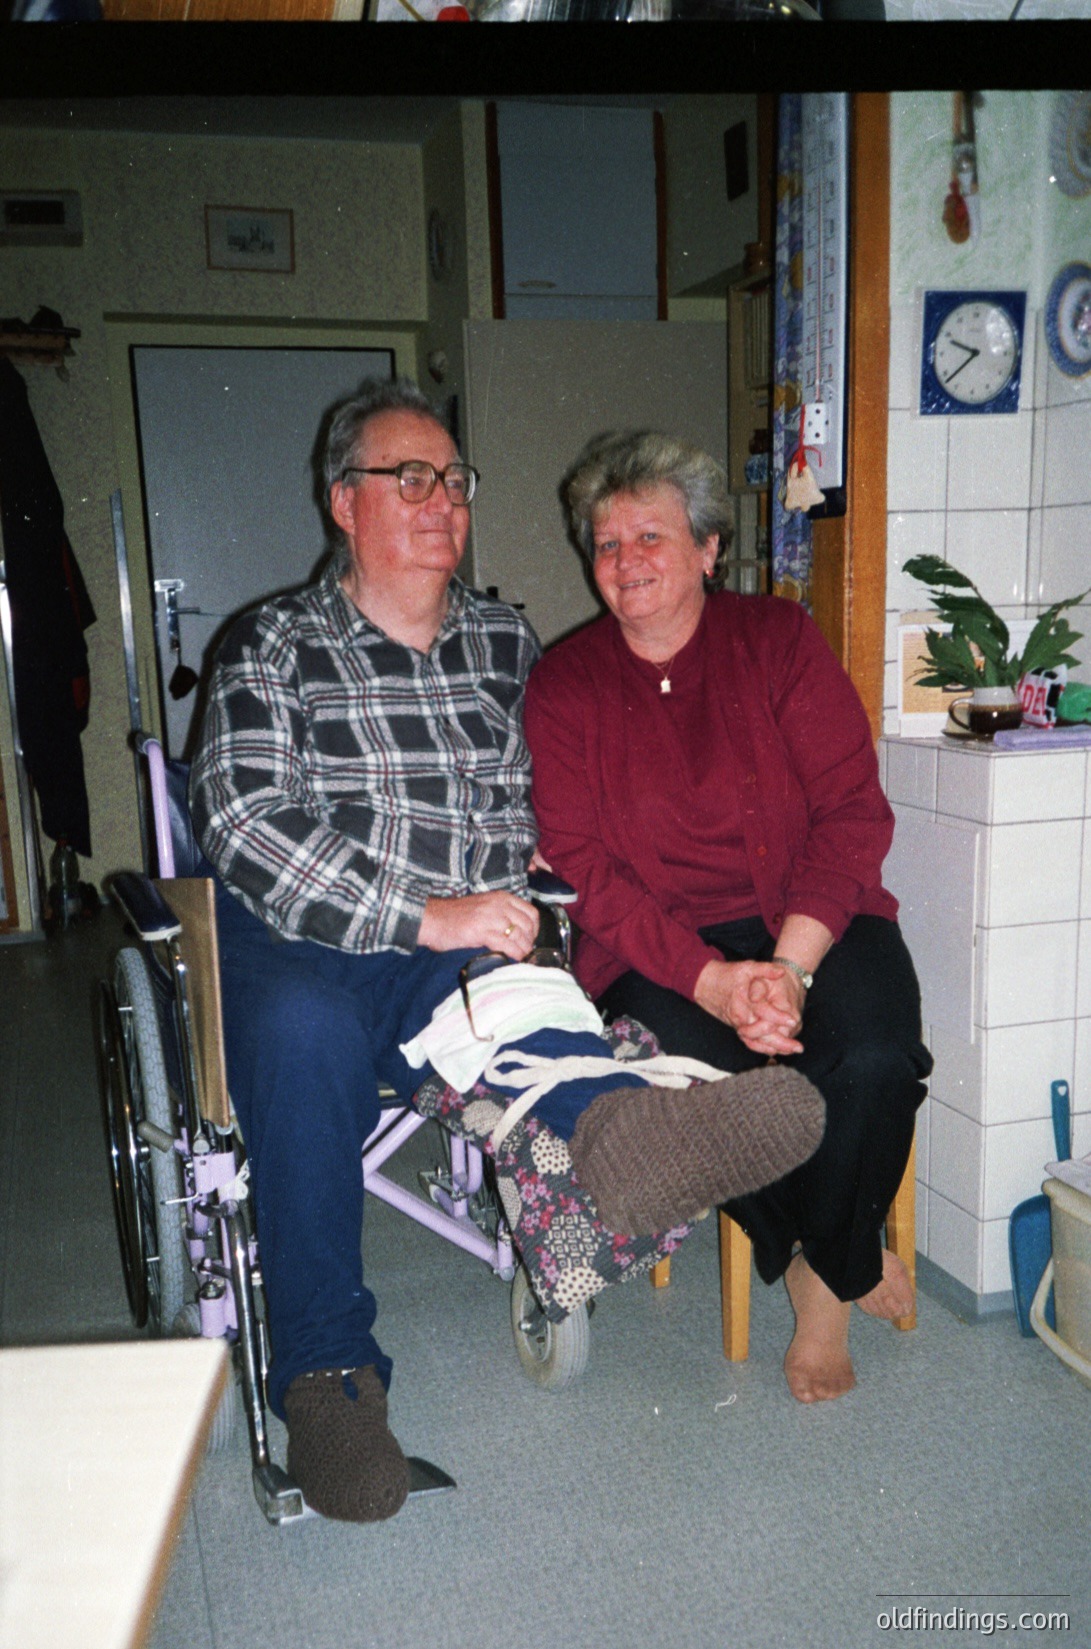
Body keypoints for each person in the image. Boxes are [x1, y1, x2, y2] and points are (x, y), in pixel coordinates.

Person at [190, 382, 825, 1523]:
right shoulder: (271, 644)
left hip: (468, 939)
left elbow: (558, 795)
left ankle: (624, 1133)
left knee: (529, 1002)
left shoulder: (501, 642)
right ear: (343, 501)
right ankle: (329, 1379)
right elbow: (242, 821)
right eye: (409, 478)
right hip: (303, 939)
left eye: (453, 480)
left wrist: (561, 869)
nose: (441, 500)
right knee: (304, 1036)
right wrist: (422, 911)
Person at [524, 429, 933, 1406]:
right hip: (654, 949)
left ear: (708, 547)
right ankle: (839, 1255)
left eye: (650, 537)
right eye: (607, 543)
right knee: (713, 1095)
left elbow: (850, 813)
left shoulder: (776, 640)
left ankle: (823, 1265)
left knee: (874, 1056)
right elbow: (580, 865)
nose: (625, 561)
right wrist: (709, 979)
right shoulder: (565, 685)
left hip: (813, 919)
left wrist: (787, 969)